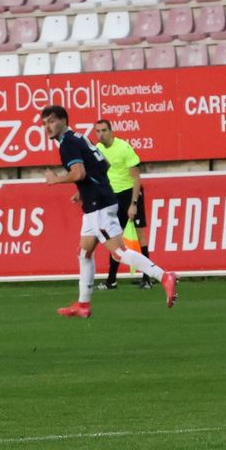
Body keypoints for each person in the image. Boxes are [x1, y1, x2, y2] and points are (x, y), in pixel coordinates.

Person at [42, 105, 178, 317]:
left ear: (63, 121)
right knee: (84, 252)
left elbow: (79, 173)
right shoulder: (79, 137)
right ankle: (83, 304)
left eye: (51, 121)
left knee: (118, 252)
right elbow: (104, 164)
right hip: (95, 202)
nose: (47, 127)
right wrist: (84, 190)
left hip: (99, 205)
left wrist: (56, 179)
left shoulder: (67, 143)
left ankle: (164, 276)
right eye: (44, 123)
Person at [94, 119, 150, 290]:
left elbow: (136, 178)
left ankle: (147, 278)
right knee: (114, 237)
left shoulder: (124, 148)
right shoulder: (98, 149)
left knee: (140, 236)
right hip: (113, 197)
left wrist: (134, 204)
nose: (101, 134)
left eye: (104, 130)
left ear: (111, 132)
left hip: (130, 193)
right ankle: (111, 280)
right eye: (98, 131)